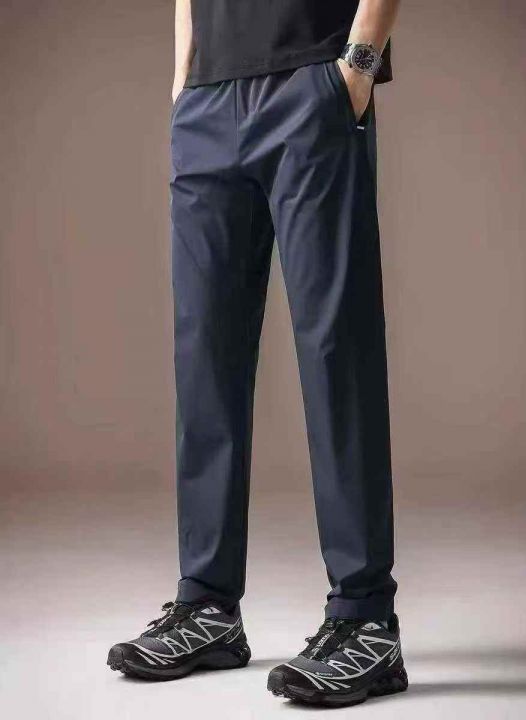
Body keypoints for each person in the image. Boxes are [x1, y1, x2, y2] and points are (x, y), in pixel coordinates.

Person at [108, 0, 406, 706]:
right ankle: (207, 604)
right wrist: (184, 79)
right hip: (208, 96)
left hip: (313, 79)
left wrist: (357, 66)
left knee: (336, 351)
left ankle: (366, 618)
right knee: (204, 356)